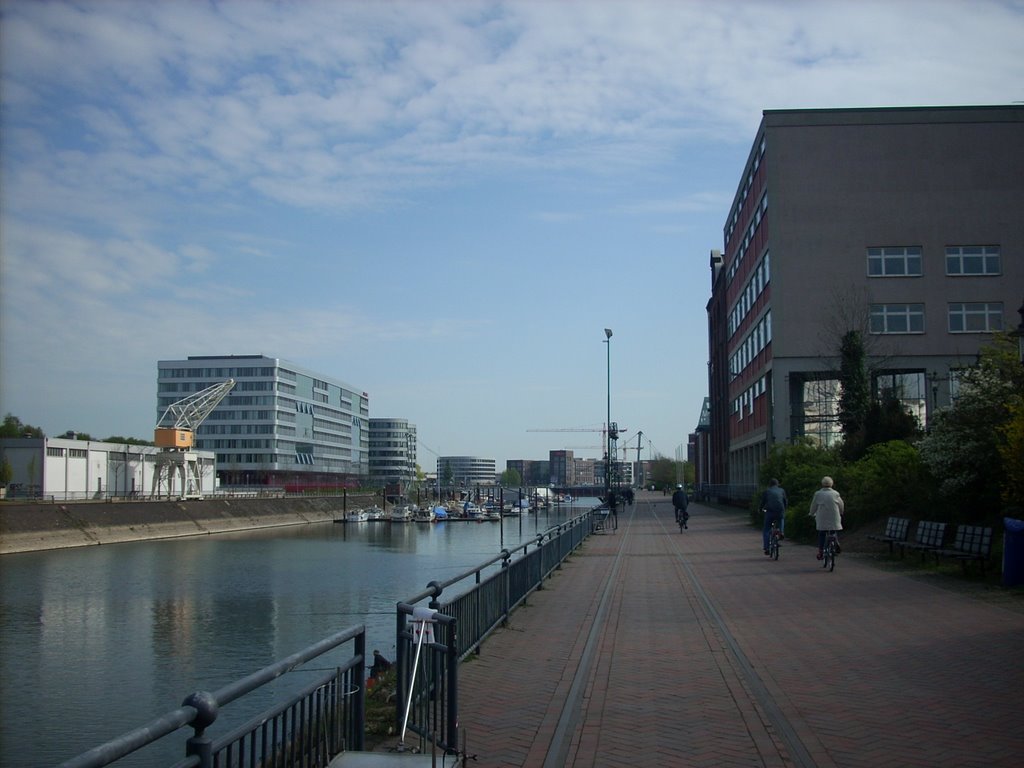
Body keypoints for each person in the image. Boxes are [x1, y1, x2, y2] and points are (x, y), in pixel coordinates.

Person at [808, 476, 844, 560]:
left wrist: (811, 513)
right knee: (833, 530)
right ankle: (835, 542)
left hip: (822, 518)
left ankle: (820, 552)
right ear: (832, 484)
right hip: (834, 517)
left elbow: (814, 506)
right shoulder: (836, 493)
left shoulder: (818, 494)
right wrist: (841, 512)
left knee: (822, 533)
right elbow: (841, 504)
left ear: (822, 484)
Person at [760, 478, 788, 555]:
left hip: (770, 512)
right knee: (781, 519)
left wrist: (760, 510)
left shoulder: (766, 491)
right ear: (777, 484)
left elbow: (762, 502)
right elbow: (785, 501)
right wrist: (785, 509)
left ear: (770, 484)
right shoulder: (782, 490)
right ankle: (781, 532)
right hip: (780, 511)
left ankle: (766, 547)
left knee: (766, 529)